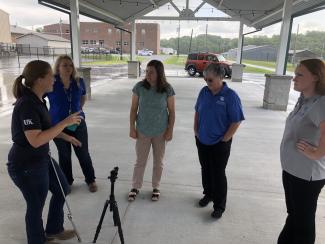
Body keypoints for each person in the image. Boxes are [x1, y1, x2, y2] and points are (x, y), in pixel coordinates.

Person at [7, 60, 82, 244]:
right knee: (35, 205)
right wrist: (65, 123)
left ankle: (54, 230)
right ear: (40, 79)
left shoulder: (40, 100)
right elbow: (36, 140)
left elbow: (47, 129)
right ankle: (37, 240)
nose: (54, 80)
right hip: (26, 165)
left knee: (62, 189)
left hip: (41, 158)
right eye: (50, 76)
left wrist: (67, 137)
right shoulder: (27, 105)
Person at [278, 59, 325, 244]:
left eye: (299, 74)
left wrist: (316, 154)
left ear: (315, 77)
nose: (293, 78)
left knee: (303, 222)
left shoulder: (321, 103)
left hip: (306, 176)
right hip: (291, 170)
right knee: (294, 215)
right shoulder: (304, 99)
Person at [194, 63, 244, 219]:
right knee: (205, 169)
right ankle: (208, 194)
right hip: (202, 139)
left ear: (221, 78)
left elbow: (236, 121)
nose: (207, 83)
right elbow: (197, 111)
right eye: (205, 79)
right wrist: (196, 130)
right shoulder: (204, 92)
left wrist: (225, 139)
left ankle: (219, 205)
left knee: (218, 173)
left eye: (210, 80)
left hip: (219, 143)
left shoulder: (231, 96)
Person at [47, 55, 97, 192]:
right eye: (65, 65)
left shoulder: (79, 81)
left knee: (83, 153)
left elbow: (82, 98)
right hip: (58, 126)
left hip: (78, 124)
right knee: (64, 155)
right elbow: (39, 97)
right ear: (58, 67)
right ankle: (67, 182)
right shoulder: (51, 82)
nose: (68, 68)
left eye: (70, 65)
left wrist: (78, 110)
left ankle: (91, 180)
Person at [128, 60, 175, 202]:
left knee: (158, 162)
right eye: (146, 71)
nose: (148, 74)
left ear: (159, 73)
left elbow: (172, 112)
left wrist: (170, 130)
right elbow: (133, 109)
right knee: (140, 161)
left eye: (151, 72)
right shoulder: (139, 87)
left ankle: (156, 187)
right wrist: (132, 127)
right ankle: (135, 187)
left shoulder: (167, 89)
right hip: (142, 130)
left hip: (160, 131)